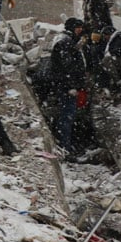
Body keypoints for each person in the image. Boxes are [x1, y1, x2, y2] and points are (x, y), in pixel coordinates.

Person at [49, 18, 86, 157]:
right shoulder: (66, 43)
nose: (80, 30)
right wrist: (71, 86)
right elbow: (67, 67)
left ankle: (65, 145)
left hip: (66, 86)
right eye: (78, 27)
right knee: (67, 117)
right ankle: (65, 148)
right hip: (66, 88)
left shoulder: (68, 42)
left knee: (66, 117)